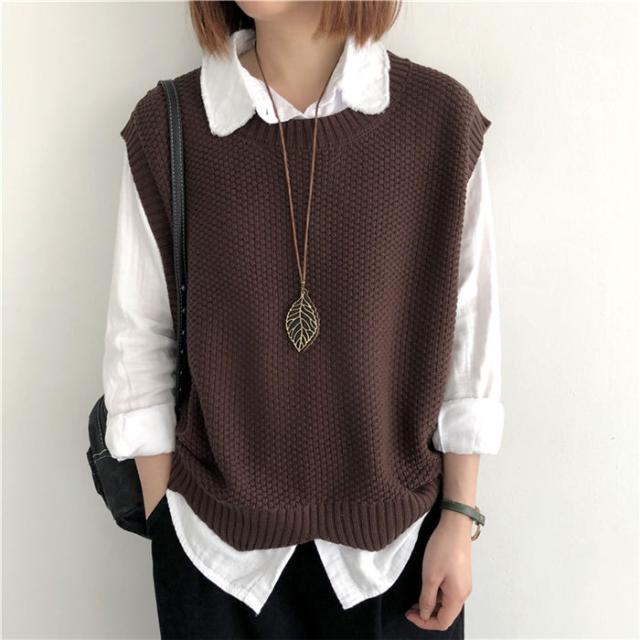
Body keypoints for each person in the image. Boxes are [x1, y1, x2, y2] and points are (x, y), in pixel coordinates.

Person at [102, 1, 504, 638]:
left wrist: (459, 514)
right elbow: (139, 339)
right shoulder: (171, 127)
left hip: (401, 553)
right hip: (213, 558)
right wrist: (166, 530)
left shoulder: (439, 122)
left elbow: (468, 333)